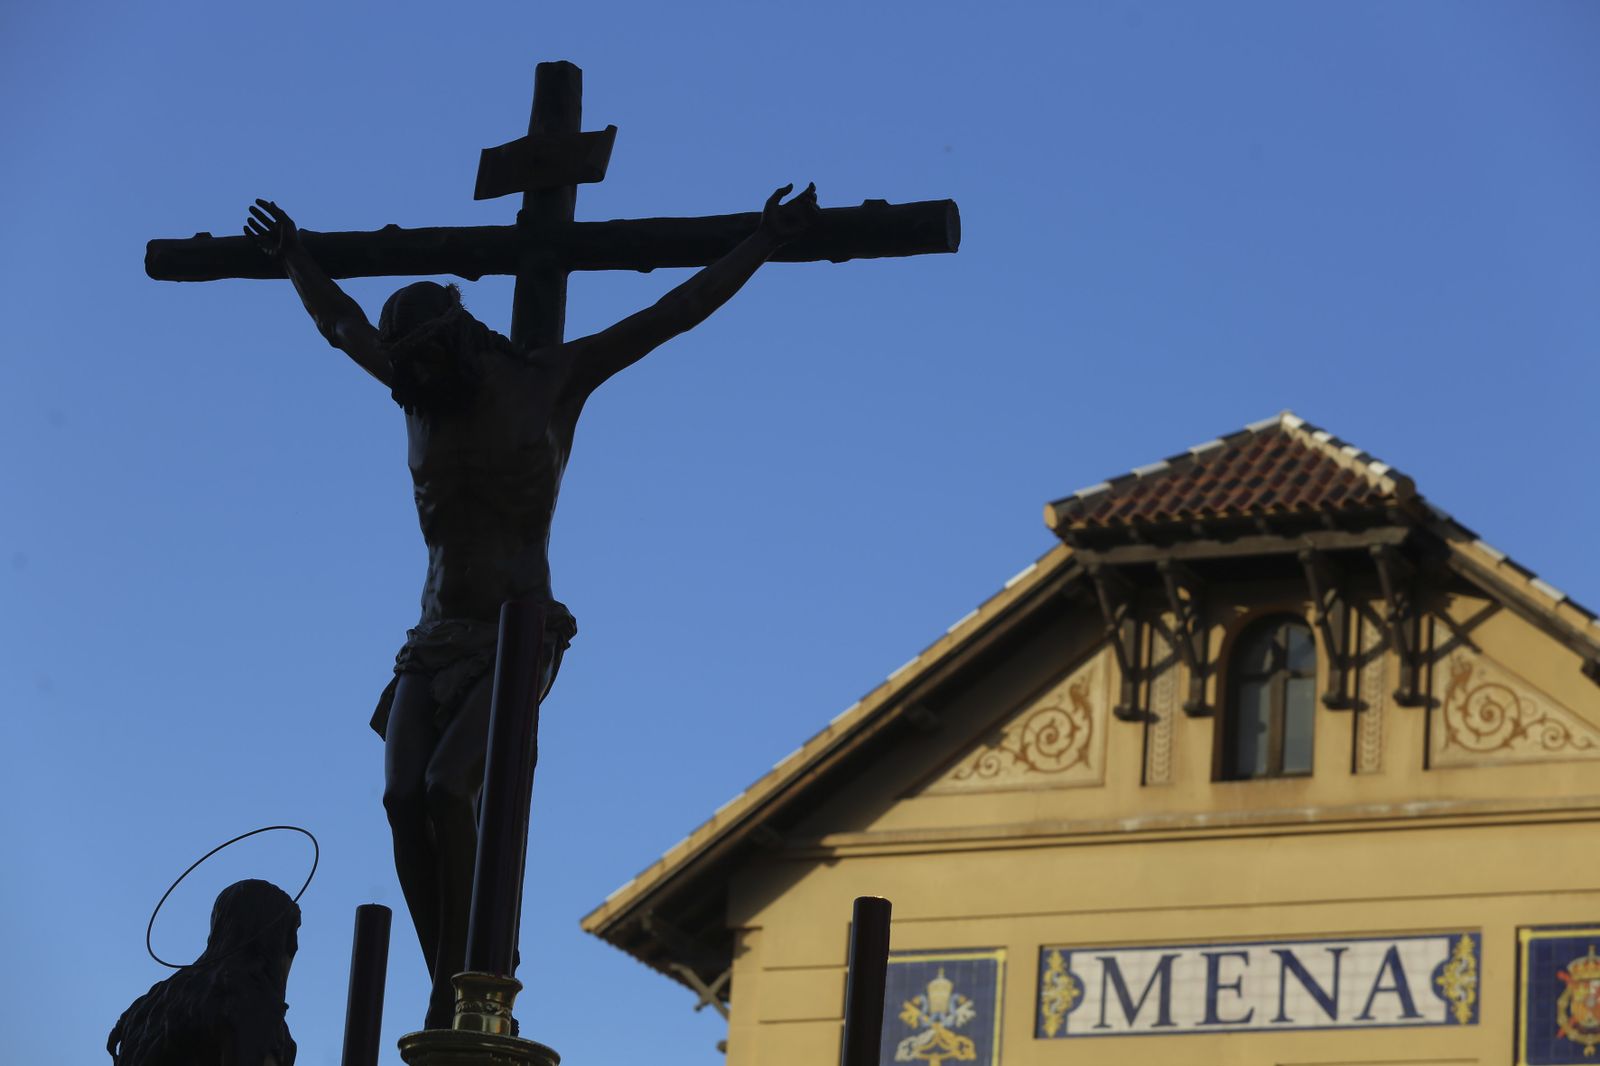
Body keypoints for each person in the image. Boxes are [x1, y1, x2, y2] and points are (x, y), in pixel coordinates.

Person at [244, 184, 820, 1028]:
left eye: (429, 365)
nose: (417, 383)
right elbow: (340, 326)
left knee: (448, 790)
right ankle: (448, 973)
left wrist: (762, 241)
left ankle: (474, 971)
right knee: (400, 796)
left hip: (517, 636)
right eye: (409, 373)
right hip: (431, 638)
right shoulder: (416, 388)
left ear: (463, 336)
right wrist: (294, 257)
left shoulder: (551, 380)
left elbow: (674, 312)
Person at [108, 879, 300, 1065]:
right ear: (276, 940)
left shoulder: (147, 1006)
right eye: (292, 934)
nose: (295, 946)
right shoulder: (250, 1001)